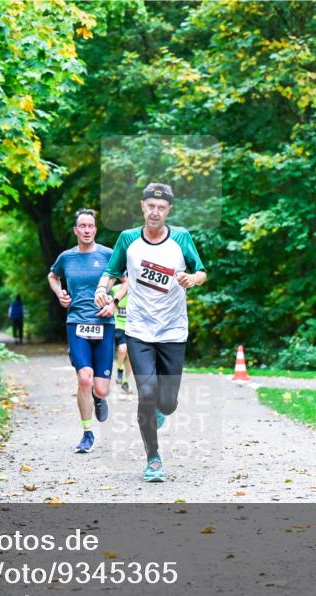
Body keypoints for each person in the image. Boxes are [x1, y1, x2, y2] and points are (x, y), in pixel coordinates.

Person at [94, 183, 206, 482]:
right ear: (143, 206)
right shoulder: (127, 238)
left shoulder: (181, 237)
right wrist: (101, 290)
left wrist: (192, 279)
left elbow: (202, 271)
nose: (155, 212)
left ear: (169, 210)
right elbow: (110, 272)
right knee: (145, 393)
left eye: (162, 207)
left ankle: (159, 408)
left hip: (172, 331)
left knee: (167, 403)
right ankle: (153, 459)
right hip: (139, 329)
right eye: (151, 206)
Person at [47, 208, 116, 454]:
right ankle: (87, 433)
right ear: (76, 230)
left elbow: (127, 281)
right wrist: (60, 294)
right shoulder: (66, 257)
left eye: (91, 226)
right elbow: (53, 276)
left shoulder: (109, 255)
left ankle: (99, 397)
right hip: (76, 322)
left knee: (101, 387)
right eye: (82, 226)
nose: (87, 230)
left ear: (95, 229)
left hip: (104, 324)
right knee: (84, 378)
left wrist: (113, 302)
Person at [112, 280, 132, 393]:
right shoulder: (115, 289)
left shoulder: (138, 289)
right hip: (118, 325)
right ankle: (119, 369)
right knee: (122, 349)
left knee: (130, 356)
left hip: (133, 327)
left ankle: (125, 381)